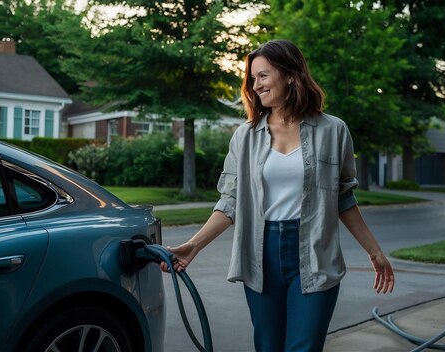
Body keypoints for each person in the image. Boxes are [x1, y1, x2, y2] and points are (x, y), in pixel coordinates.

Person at [161, 39, 395, 352]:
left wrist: (374, 251)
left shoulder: (334, 131)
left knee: (303, 346)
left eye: (263, 76)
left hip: (315, 252)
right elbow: (229, 203)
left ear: (290, 75)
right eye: (252, 78)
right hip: (261, 252)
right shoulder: (245, 137)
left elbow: (343, 199)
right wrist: (194, 246)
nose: (255, 85)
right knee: (268, 345)